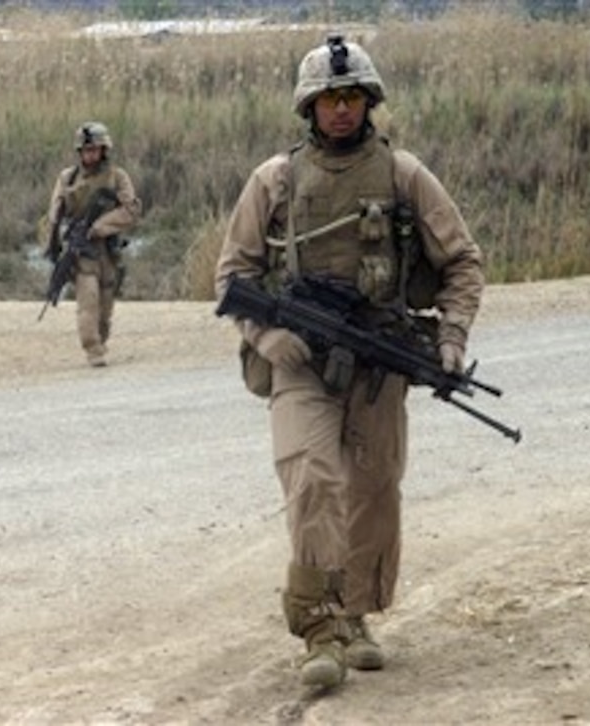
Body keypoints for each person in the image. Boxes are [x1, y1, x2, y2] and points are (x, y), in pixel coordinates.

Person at [214, 35, 485, 690]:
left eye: (353, 98)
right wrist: (265, 335)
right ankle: (318, 629)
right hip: (299, 362)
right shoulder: (274, 181)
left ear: (370, 103)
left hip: (377, 364)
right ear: (310, 106)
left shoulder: (404, 177)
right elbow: (233, 276)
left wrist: (450, 338)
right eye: (331, 98)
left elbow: (463, 263)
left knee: (373, 488)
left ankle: (356, 614)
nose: (342, 110)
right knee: (312, 480)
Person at [44, 122, 141, 367]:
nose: (91, 155)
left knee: (105, 307)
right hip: (81, 252)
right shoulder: (67, 178)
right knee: (88, 301)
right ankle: (93, 350)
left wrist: (101, 227)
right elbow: (54, 213)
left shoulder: (117, 177)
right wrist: (56, 239)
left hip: (107, 249)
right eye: (86, 151)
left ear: (104, 150)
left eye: (95, 150)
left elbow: (131, 210)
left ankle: (100, 340)